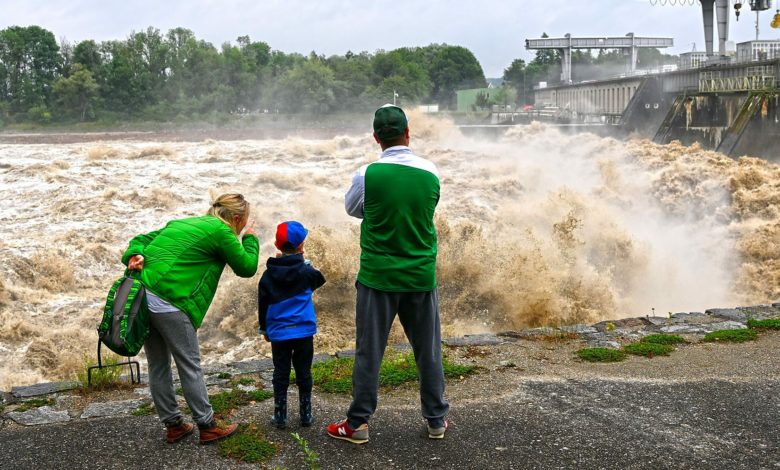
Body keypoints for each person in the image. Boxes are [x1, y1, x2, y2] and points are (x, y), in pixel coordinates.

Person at [327, 104, 449, 444]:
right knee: (429, 351)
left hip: (378, 278)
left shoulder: (367, 174)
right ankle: (436, 420)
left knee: (370, 352)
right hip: (420, 276)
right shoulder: (430, 172)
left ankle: (358, 425)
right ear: (408, 133)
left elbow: (354, 209)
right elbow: (428, 206)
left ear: (376, 138)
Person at [122, 193, 259, 444]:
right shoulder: (222, 232)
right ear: (237, 218)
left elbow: (141, 239)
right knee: (189, 364)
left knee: (158, 364)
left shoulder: (181, 223)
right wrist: (249, 239)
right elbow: (247, 267)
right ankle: (207, 425)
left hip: (141, 296)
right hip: (171, 302)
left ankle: (174, 425)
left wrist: (134, 254)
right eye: (244, 221)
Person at [257, 221, 326, 429]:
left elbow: (263, 304)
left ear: (277, 246)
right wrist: (304, 263)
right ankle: (306, 415)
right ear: (302, 246)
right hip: (304, 332)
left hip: (279, 333)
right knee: (304, 371)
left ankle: (280, 416)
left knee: (281, 372)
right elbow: (319, 279)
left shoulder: (268, 275)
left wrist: (264, 329)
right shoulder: (306, 273)